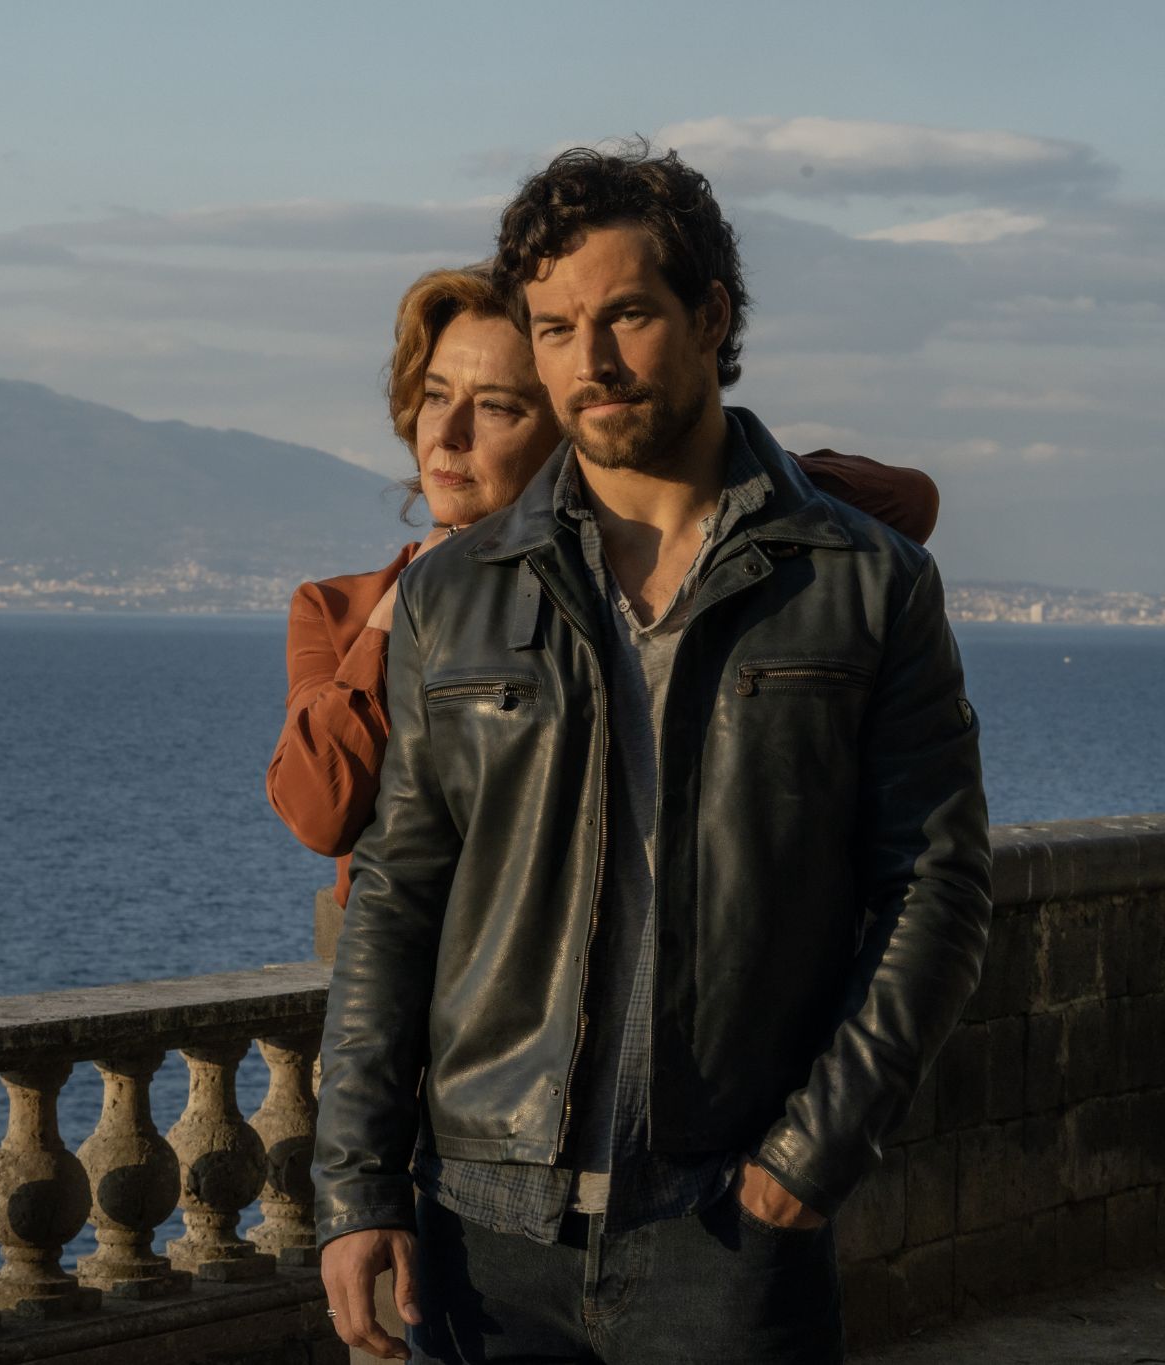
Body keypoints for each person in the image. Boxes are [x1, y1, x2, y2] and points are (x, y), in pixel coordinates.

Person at [313, 143, 991, 1364]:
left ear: (711, 315)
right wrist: (353, 1186)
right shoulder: (453, 598)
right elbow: (397, 897)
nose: (592, 361)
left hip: (726, 1234)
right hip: (480, 1234)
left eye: (626, 314)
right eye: (557, 327)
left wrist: (806, 1159)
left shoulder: (862, 585)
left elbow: (933, 889)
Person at [267, 267, 941, 960]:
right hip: (436, 1023)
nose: (448, 433)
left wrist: (685, 461)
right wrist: (407, 593)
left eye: (497, 407)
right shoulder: (339, 609)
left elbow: (908, 501)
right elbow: (318, 808)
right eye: (435, 395)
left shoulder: (617, 581)